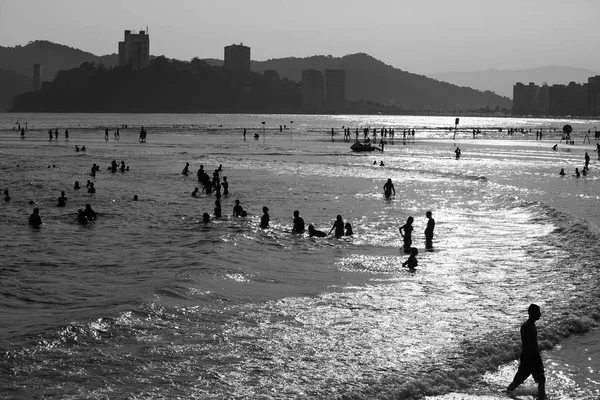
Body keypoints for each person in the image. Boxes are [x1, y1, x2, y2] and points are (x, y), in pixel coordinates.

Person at [506, 304, 546, 400]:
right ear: (532, 313)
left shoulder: (528, 325)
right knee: (541, 380)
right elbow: (529, 345)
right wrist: (534, 359)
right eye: (538, 312)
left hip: (526, 356)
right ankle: (542, 397)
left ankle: (507, 393)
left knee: (519, 379)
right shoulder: (528, 327)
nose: (540, 314)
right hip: (531, 356)